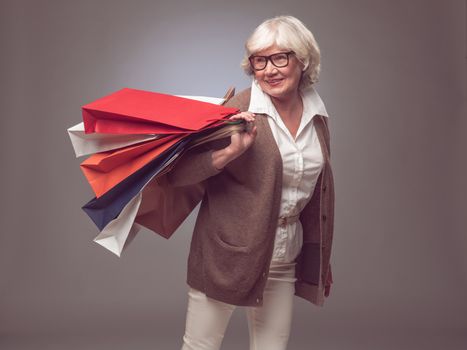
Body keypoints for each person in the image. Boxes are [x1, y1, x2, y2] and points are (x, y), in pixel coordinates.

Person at [161, 15, 335, 350]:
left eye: (280, 57)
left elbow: (316, 192)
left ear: (303, 60)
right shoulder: (237, 110)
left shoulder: (318, 116)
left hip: (285, 254)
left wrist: (321, 255)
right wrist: (228, 153)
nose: (269, 70)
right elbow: (178, 174)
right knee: (201, 345)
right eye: (260, 60)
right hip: (227, 255)